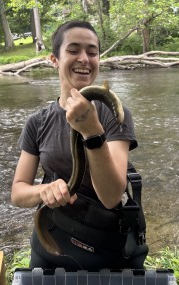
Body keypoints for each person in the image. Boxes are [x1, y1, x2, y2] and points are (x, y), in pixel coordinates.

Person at [11, 20, 148, 270]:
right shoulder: (37, 123)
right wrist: (43, 191)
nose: (84, 58)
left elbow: (110, 196)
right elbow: (18, 193)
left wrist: (92, 132)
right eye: (73, 50)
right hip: (52, 237)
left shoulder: (115, 115)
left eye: (92, 52)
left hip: (107, 244)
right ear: (54, 59)